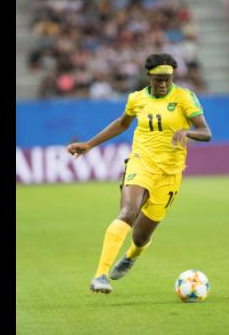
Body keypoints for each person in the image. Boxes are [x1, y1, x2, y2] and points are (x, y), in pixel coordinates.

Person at [66, 53, 212, 294]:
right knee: (128, 212)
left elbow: (206, 132)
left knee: (142, 236)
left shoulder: (185, 98)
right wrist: (90, 144)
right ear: (148, 77)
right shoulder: (136, 99)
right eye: (158, 79)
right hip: (140, 162)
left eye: (167, 79)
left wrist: (187, 133)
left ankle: (133, 254)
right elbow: (123, 124)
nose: (163, 83)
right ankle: (100, 275)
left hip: (171, 173)